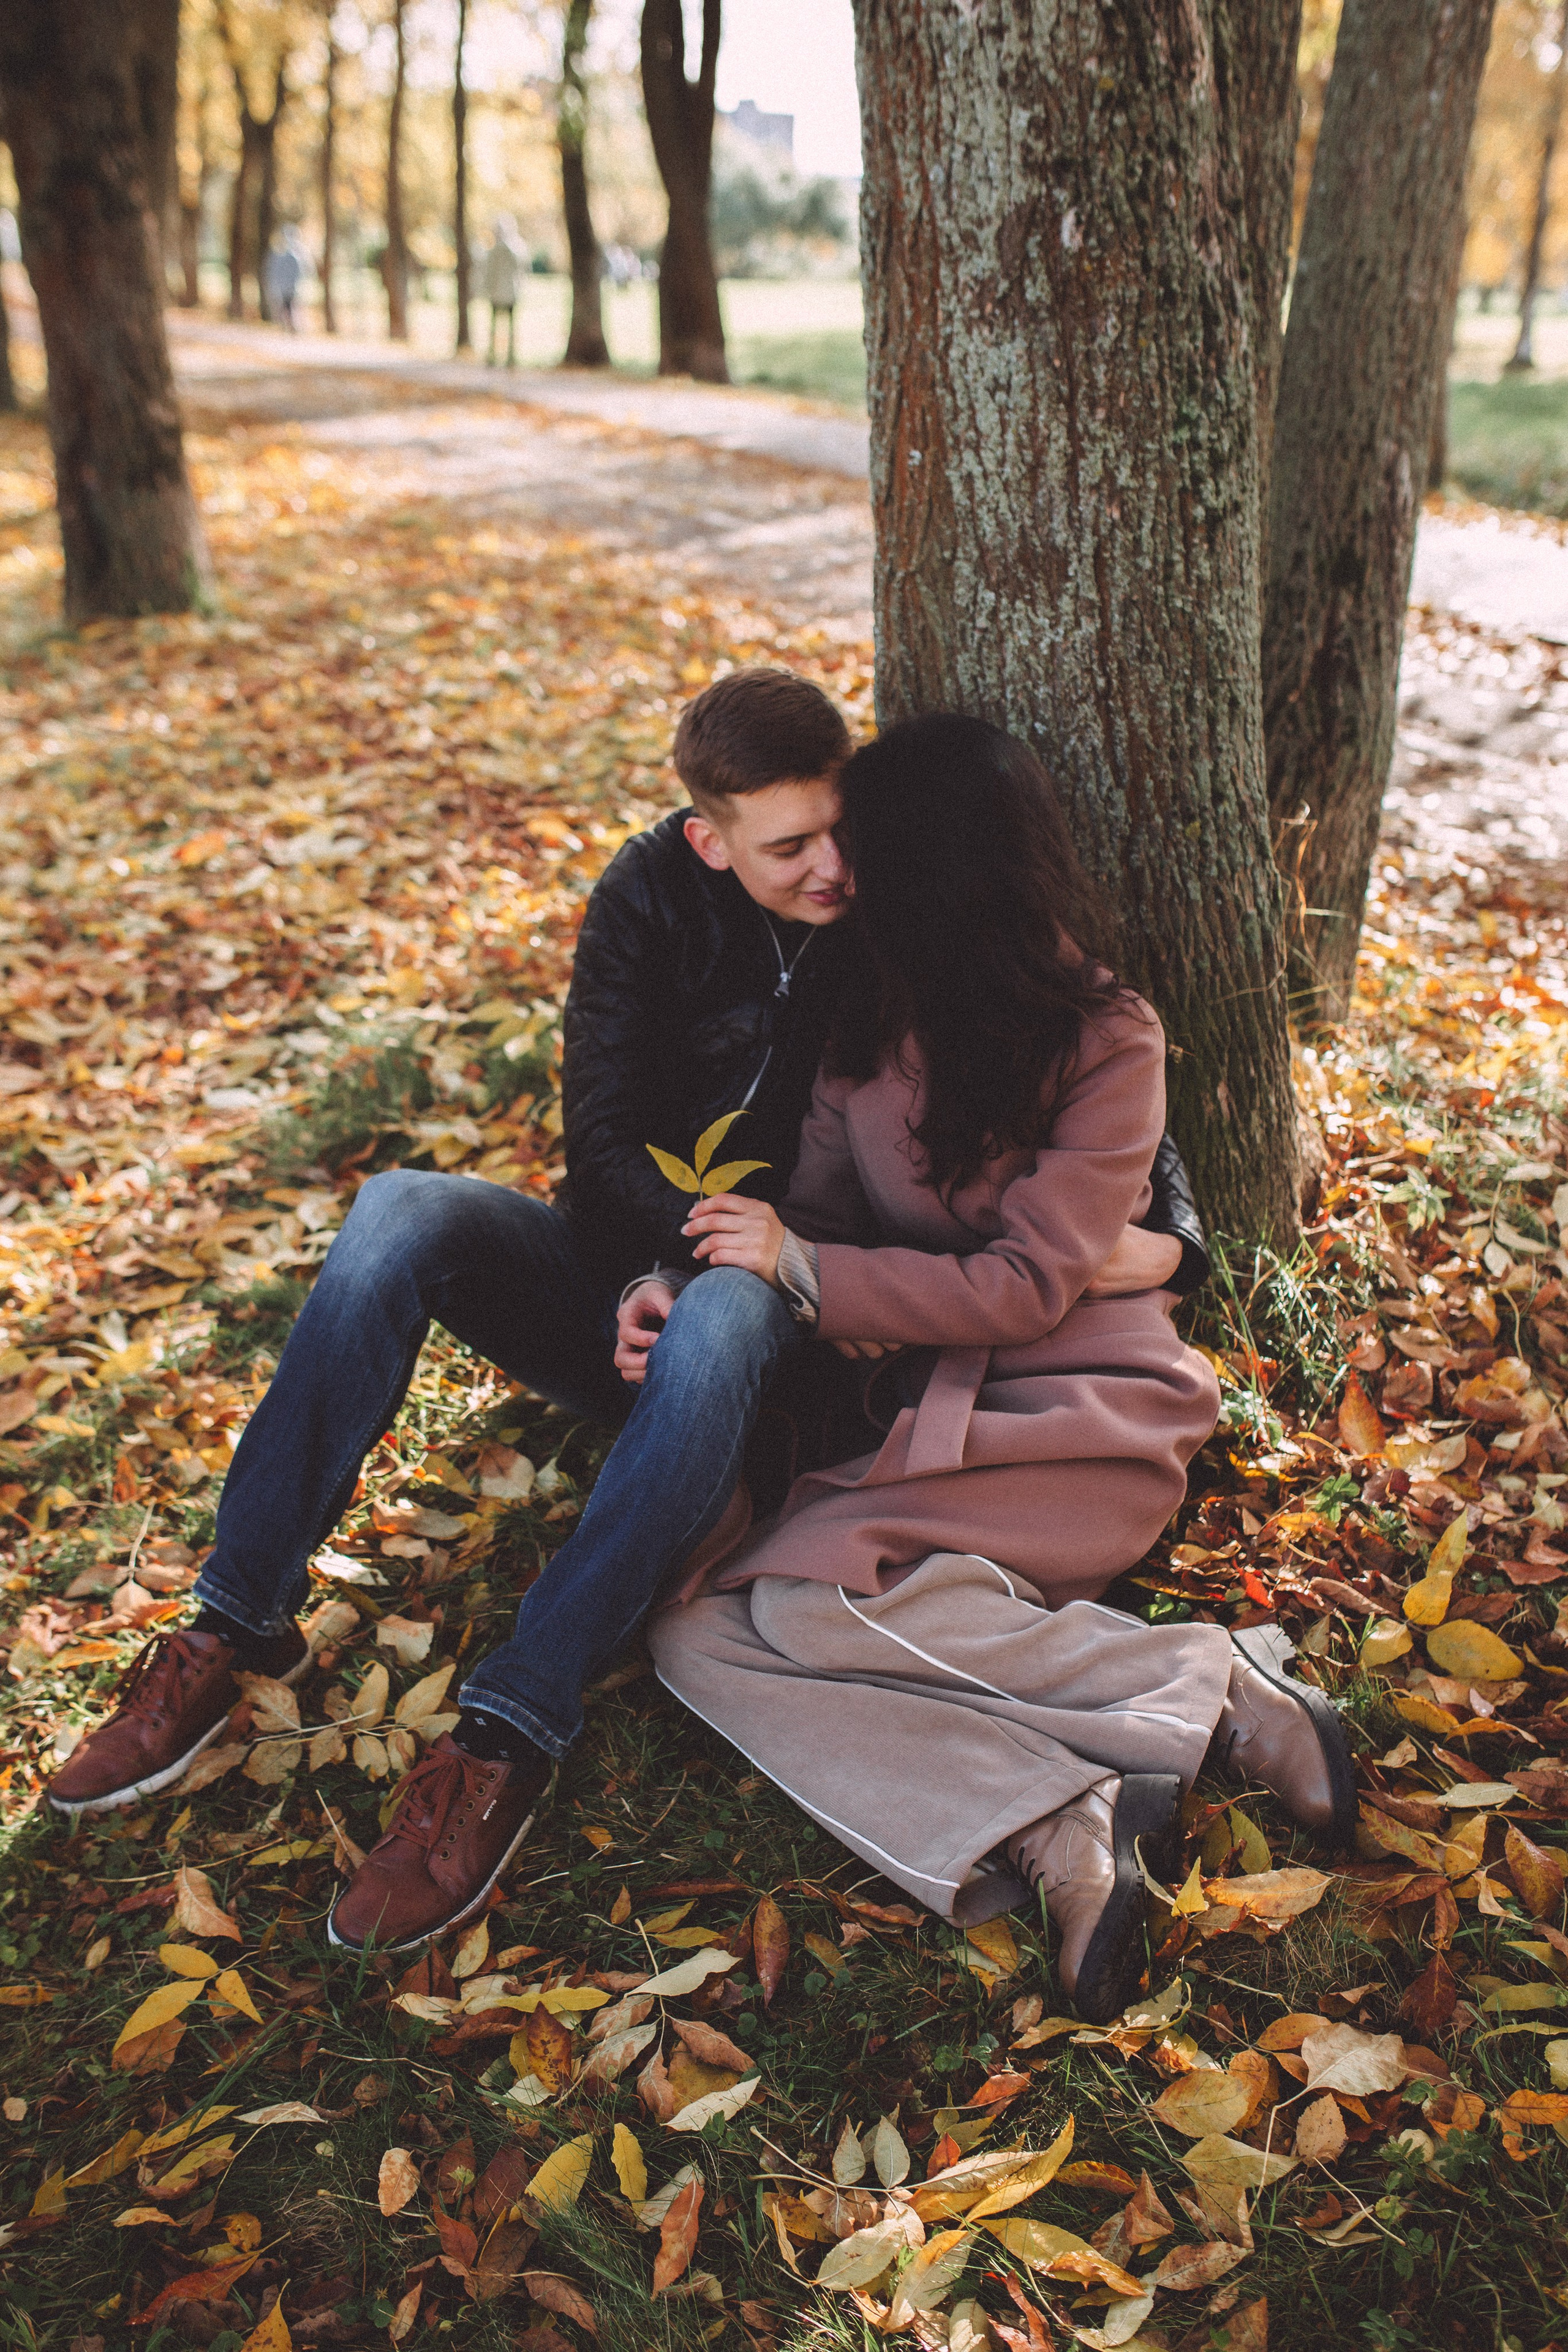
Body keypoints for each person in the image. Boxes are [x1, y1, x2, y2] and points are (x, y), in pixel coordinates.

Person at [43, 673, 1205, 1958]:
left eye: (845, 837)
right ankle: (230, 1620)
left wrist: (1172, 1245)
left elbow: (1077, 1102)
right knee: (398, 1212)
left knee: (722, 1315)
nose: (832, 872)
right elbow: (596, 1144)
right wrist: (653, 1272)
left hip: (783, 1311)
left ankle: (508, 1733)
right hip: (670, 1267)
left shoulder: (902, 931)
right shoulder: (648, 903)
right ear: (710, 842)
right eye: (793, 848)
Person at [649, 714, 1354, 2025]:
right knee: (691, 1633)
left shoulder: (1104, 1038)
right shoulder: (863, 1018)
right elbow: (817, 1214)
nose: (841, 881)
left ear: (942, 875)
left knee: (803, 1612)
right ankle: (1055, 1819)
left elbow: (1026, 1287)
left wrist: (821, 1278)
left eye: (867, 855)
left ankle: (1204, 1691)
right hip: (919, 1418)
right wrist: (752, 1281)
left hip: (1080, 1416)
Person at [484, 217, 524, 366]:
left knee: (508, 326)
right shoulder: (506, 248)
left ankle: (509, 356)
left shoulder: (512, 248)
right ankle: (495, 355)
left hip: (507, 292)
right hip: (501, 292)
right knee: (496, 325)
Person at [263, 228, 307, 332]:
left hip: (290, 286)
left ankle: (291, 325)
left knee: (289, 306)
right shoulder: (281, 256)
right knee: (287, 306)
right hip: (286, 286)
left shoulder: (290, 256)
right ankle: (288, 325)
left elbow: (299, 272)